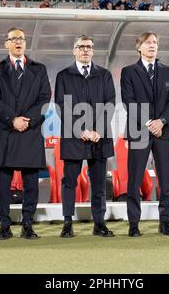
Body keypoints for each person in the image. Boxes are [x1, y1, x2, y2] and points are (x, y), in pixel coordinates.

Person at [0, 27, 51, 240]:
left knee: (31, 183)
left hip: (30, 132)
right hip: (6, 131)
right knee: (3, 184)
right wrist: (13, 119)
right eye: (13, 39)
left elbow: (44, 99)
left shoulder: (39, 69)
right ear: (6, 43)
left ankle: (27, 224)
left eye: (21, 39)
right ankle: (4, 225)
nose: (18, 42)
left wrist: (28, 121)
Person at [54, 35, 116, 238]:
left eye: (89, 47)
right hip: (74, 137)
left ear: (93, 50)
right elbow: (62, 106)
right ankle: (67, 223)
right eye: (80, 47)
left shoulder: (104, 75)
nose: (85, 50)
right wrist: (81, 130)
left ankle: (99, 223)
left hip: (100, 137)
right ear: (74, 51)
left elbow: (110, 103)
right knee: (69, 181)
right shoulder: (63, 76)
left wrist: (97, 130)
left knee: (99, 183)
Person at [120, 32, 169, 237]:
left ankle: (165, 223)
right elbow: (129, 101)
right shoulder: (128, 72)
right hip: (139, 130)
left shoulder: (168, 71)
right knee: (134, 179)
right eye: (148, 42)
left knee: (166, 180)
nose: (152, 45)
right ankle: (134, 224)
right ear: (139, 47)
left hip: (164, 131)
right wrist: (149, 123)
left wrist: (161, 122)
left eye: (155, 42)